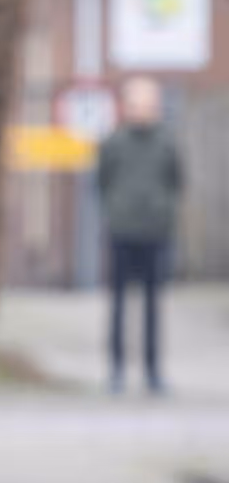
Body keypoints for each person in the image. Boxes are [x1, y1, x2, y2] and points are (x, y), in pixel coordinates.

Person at [96, 75, 183, 395]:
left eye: (147, 103)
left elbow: (176, 180)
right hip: (121, 231)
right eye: (136, 103)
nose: (141, 109)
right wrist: (115, 211)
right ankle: (116, 369)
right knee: (118, 303)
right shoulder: (114, 143)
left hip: (156, 232)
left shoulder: (167, 142)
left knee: (152, 304)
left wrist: (163, 211)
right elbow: (102, 181)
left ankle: (153, 371)